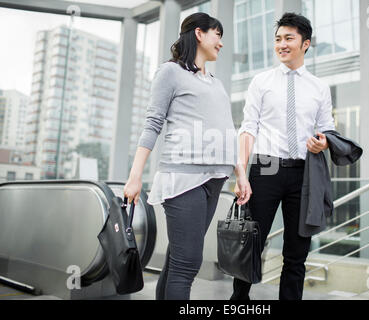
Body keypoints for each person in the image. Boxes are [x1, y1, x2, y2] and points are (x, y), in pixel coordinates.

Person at [123, 12, 250, 300]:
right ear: (199, 34)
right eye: (217, 35)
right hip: (183, 177)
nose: (220, 43)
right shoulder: (170, 72)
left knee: (177, 260)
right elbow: (153, 123)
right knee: (188, 262)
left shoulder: (216, 83)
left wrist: (240, 174)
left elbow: (230, 132)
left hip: (216, 179)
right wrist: (135, 177)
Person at [230, 12, 336, 300]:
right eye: (278, 39)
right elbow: (248, 128)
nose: (282, 44)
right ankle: (238, 300)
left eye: (289, 38)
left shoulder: (319, 87)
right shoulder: (261, 81)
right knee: (251, 243)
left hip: (304, 173)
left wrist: (322, 142)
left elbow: (328, 131)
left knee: (296, 252)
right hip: (264, 169)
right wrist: (241, 172)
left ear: (306, 44)